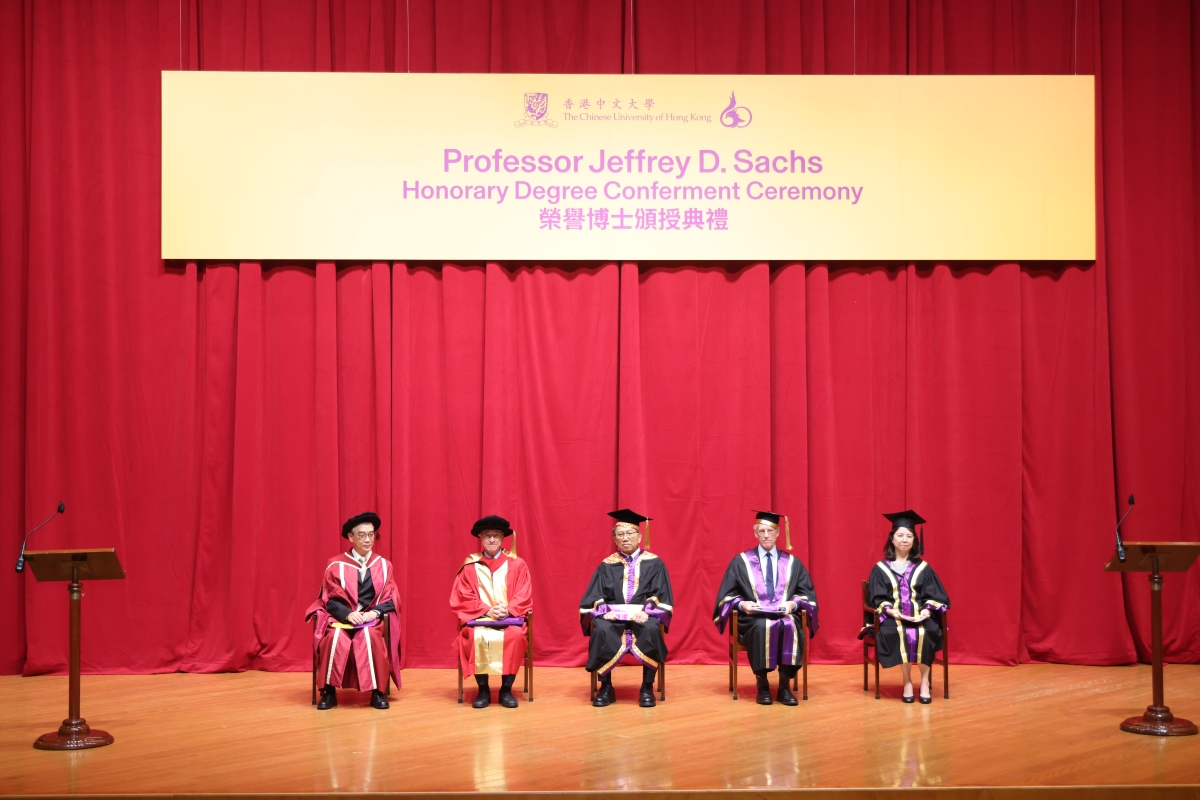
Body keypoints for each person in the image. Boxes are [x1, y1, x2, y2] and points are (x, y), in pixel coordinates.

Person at [713, 511, 819, 705]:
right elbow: (727, 594)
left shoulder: (792, 563)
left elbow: (807, 593)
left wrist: (793, 603)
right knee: (763, 626)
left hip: (784, 615)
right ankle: (762, 684)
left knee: (790, 625)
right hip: (753, 618)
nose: (766, 535)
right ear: (755, 533)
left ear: (778, 533)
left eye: (770, 531)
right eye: (761, 531)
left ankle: (784, 686)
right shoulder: (741, 561)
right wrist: (742, 604)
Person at [305, 511, 401, 710]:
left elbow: (392, 597)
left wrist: (374, 613)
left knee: (370, 636)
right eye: (362, 535)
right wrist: (348, 614)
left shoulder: (384, 565)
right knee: (334, 638)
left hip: (370, 620)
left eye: (371, 535)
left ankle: (377, 692)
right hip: (341, 619)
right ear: (351, 537)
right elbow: (328, 600)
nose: (368, 540)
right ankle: (329, 692)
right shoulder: (335, 565)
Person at [579, 509, 673, 708]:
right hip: (613, 617)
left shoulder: (654, 563)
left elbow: (661, 593)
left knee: (651, 629)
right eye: (620, 534)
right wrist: (605, 611)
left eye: (630, 533)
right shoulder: (606, 565)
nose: (625, 538)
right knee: (601, 629)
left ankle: (647, 687)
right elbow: (594, 595)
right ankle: (606, 687)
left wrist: (647, 611)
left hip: (642, 615)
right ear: (614, 539)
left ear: (639, 536)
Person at [865, 510, 950, 704]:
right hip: (893, 616)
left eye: (909, 536)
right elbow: (877, 597)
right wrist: (890, 610)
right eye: (900, 535)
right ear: (892, 538)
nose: (905, 540)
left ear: (914, 540)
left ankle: (925, 682)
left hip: (920, 615)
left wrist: (927, 610)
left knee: (927, 631)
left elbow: (935, 595)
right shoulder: (880, 568)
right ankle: (907, 681)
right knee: (897, 631)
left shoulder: (924, 568)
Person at [449, 514, 533, 709]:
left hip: (510, 619)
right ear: (480, 537)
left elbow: (524, 594)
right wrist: (488, 610)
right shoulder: (470, 566)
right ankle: (483, 689)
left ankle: (506, 689)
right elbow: (462, 597)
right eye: (487, 535)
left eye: (496, 535)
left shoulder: (517, 564)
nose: (492, 539)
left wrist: (508, 610)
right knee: (474, 636)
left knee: (515, 636)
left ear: (503, 538)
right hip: (479, 619)